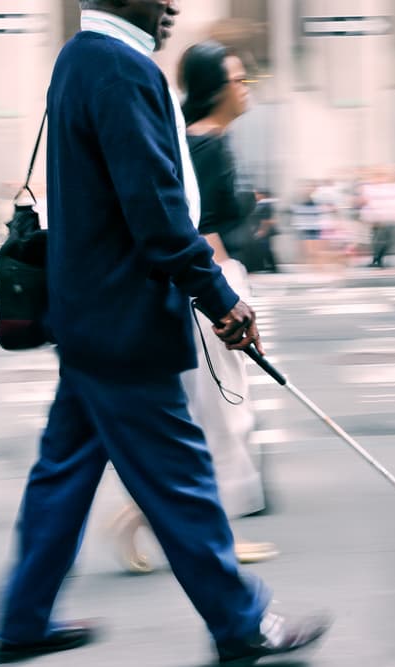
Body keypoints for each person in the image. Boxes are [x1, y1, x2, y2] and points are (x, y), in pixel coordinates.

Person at [0, 2, 330, 664]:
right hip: (124, 318)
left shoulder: (80, 58)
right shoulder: (118, 66)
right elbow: (157, 208)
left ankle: (23, 616)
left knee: (63, 471)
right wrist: (218, 295)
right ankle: (240, 621)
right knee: (180, 475)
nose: (170, 6)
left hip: (87, 313)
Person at [113, 40, 277, 571]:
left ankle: (149, 513)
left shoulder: (202, 142)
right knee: (223, 415)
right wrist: (228, 296)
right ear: (214, 90)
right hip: (212, 291)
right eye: (237, 78)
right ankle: (204, 535)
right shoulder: (207, 146)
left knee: (210, 416)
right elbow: (199, 229)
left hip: (207, 289)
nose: (245, 85)